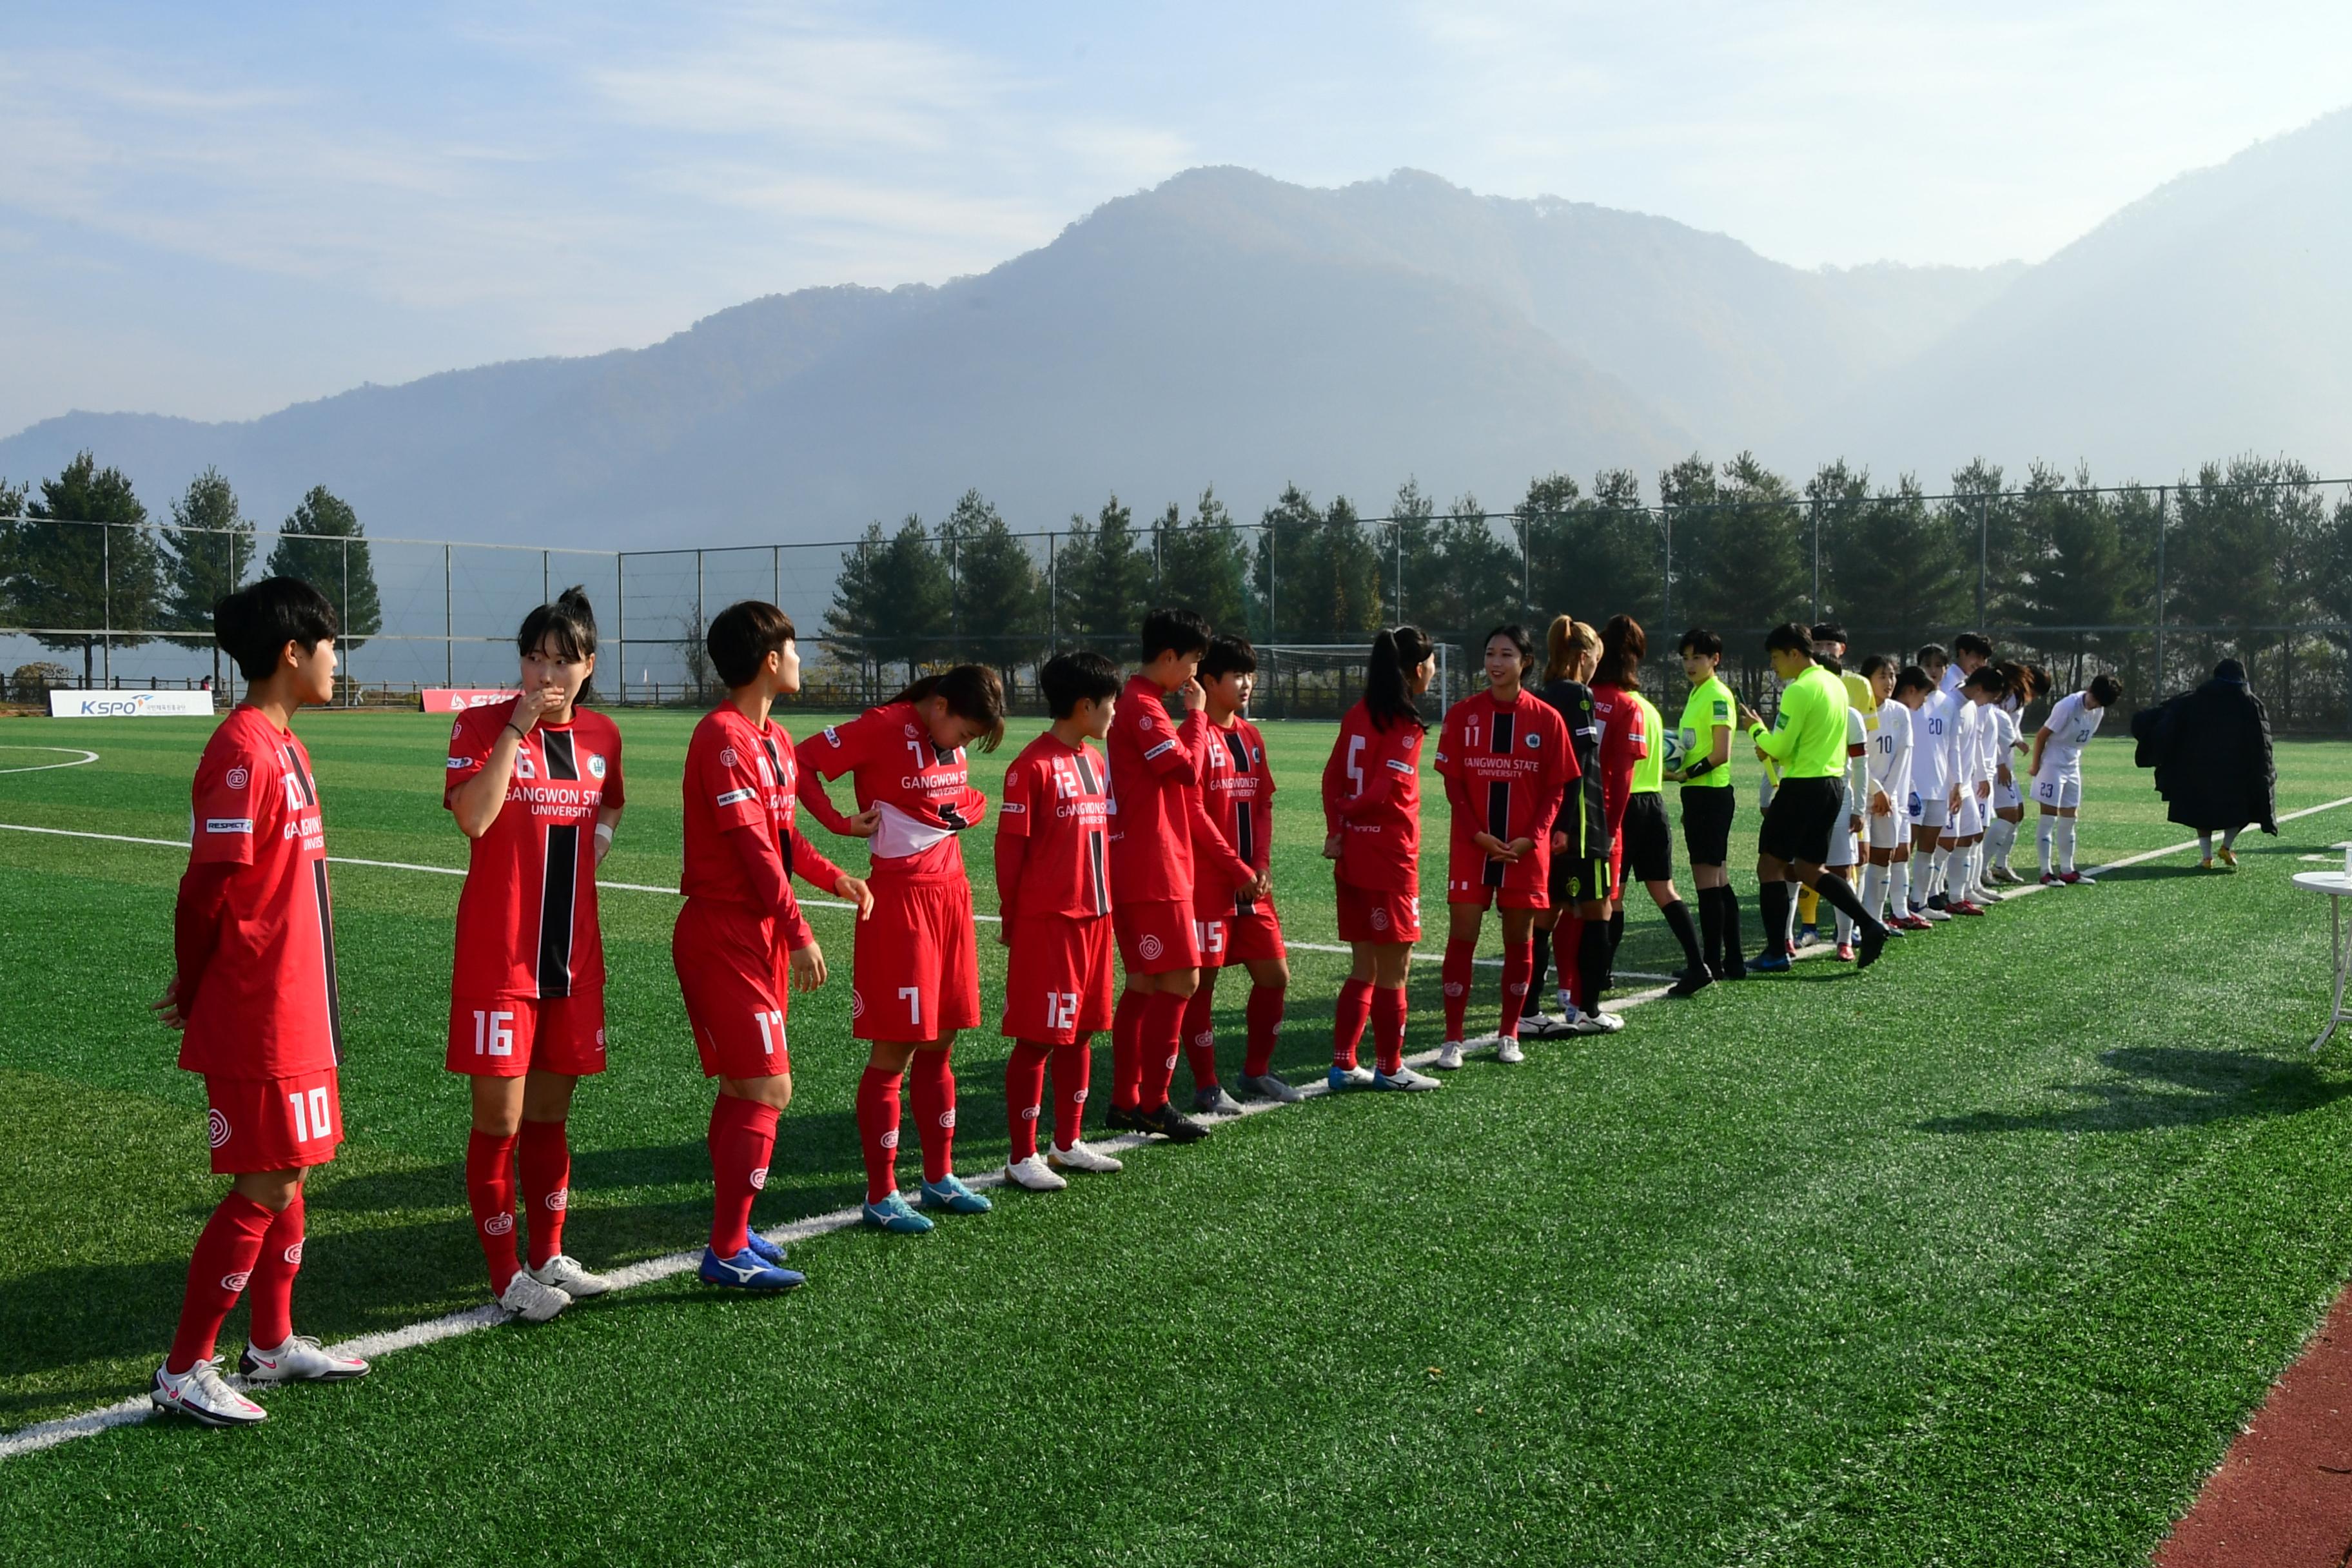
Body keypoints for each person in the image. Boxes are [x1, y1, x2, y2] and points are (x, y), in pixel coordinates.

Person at [149, 578, 368, 1426]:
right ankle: (183, 1366)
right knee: (265, 1181)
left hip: (300, 1001)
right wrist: (197, 982)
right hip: (257, 1007)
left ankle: (270, 1344)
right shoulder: (240, 749)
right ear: (291, 652)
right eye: (330, 646)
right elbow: (205, 889)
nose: (336, 662)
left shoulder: (288, 743)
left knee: (293, 1169)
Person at [675, 602, 872, 1283]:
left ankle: (733, 1231)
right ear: (768, 659)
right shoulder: (722, 738)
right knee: (769, 1086)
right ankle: (726, 1250)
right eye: (793, 648)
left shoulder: (776, 740)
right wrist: (801, 930)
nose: (800, 658)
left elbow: (785, 841)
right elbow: (756, 854)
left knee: (745, 1086)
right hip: (724, 930)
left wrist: (834, 874)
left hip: (755, 928)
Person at [443, 588, 624, 1322]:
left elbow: (611, 802)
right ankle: (504, 1273)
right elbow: (475, 818)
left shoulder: (604, 736)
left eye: (561, 658)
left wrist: (597, 848)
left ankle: (549, 1253)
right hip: (500, 959)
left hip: (573, 960)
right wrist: (517, 725)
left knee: (550, 1116)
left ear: (587, 665)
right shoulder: (479, 725)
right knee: (500, 1119)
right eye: (533, 656)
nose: (545, 671)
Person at [798, 665, 1004, 1230]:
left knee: (941, 1043)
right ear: (939, 706)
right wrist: (841, 824)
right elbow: (801, 762)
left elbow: (957, 800)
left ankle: (938, 1178)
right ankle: (882, 1192)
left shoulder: (944, 739)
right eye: (963, 733)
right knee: (896, 1050)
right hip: (901, 903)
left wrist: (968, 806)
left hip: (953, 897)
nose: (963, 745)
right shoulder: (882, 725)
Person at [1101, 609, 1262, 1142]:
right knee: (1184, 981)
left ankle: (1128, 1101)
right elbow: (1188, 770)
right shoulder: (1145, 707)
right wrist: (1196, 716)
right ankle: (1153, 1102)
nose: (1194, 673)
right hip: (1152, 866)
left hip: (1153, 861)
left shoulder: (1143, 703)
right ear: (1169, 658)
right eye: (1193, 661)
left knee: (1147, 984)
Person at [995, 651, 1127, 1191]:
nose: (1114, 715)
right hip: (1051, 924)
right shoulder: (1031, 766)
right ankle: (1021, 1155)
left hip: (1097, 918)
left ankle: (1067, 1143)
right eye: (1110, 705)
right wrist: (1013, 917)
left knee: (1084, 1033)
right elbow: (1010, 853)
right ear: (1085, 705)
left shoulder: (1095, 762)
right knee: (1038, 1039)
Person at [1435, 625, 1578, 1062]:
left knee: (1520, 940)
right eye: (1491, 654)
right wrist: (1478, 833)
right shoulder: (1463, 715)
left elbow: (1557, 789)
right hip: (1471, 846)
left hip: (1523, 850)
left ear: (1525, 662)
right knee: (1463, 938)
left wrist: (1531, 839)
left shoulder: (1546, 718)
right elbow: (1455, 784)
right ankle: (1453, 1038)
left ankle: (1509, 1033)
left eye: (1507, 655)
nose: (1496, 663)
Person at [1181, 636, 1295, 1110]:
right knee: (1200, 985)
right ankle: (1207, 1085)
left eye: (1251, 674)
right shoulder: (1197, 735)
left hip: (1252, 885)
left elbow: (1263, 804)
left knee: (1275, 977)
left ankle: (1256, 1072)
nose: (1247, 683)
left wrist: (1261, 865)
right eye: (1237, 675)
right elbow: (1193, 813)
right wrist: (1235, 868)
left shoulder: (1250, 735)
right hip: (1208, 886)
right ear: (1210, 682)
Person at [1737, 623, 1892, 968]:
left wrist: (1755, 728)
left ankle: (1777, 951)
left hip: (1802, 788)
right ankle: (1869, 923)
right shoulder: (1835, 686)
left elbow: (1779, 746)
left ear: (1795, 653)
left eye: (1776, 657)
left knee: (1770, 865)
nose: (1774, 665)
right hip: (1832, 787)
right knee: (1810, 868)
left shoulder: (1799, 690)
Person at [1324, 626, 1440, 1082]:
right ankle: (1390, 1067)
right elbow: (1382, 790)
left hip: (1353, 853)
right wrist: (1351, 813)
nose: (1434, 670)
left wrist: (1339, 828)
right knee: (1396, 967)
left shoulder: (1357, 713)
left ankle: (1343, 1063)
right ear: (1417, 670)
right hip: (1389, 856)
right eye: (1431, 663)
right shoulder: (1406, 723)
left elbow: (1332, 776)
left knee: (1364, 964)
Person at [1523, 616, 1609, 1038]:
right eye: (1595, 658)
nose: (1596, 667)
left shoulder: (1541, 696)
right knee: (1599, 911)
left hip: (1547, 825)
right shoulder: (1579, 696)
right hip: (1580, 824)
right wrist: (1572, 827)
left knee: (1545, 916)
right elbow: (1575, 766)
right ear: (1581, 656)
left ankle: (1528, 1008)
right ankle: (1590, 1007)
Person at [1619, 666, 1712, 996]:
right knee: (1665, 890)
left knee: (1612, 896)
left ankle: (1600, 974)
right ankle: (1698, 965)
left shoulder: (1615, 707)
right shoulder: (1650, 710)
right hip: (1653, 805)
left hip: (1623, 805)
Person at [2137, 659, 2277, 868]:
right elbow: (2261, 742)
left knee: (2202, 813)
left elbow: (2164, 723)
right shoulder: (2251, 703)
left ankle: (2206, 858)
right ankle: (2226, 847)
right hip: (2236, 771)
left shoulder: (2193, 700)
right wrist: (2265, 772)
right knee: (2248, 808)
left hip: (2198, 768)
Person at [1665, 628, 1743, 979]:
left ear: (1715, 659)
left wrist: (1687, 774)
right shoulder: (1698, 693)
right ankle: (1733, 960)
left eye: (1697, 657)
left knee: (1708, 881)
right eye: (1685, 657)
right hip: (1699, 795)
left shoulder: (1716, 695)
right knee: (1719, 880)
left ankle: (1712, 961)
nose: (1690, 664)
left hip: (1710, 795)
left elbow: (1721, 753)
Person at [2028, 674, 2123, 885]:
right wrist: (2036, 766)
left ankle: (2067, 869)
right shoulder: (2068, 706)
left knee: (2071, 817)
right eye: (2094, 698)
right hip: (2053, 764)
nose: (2094, 704)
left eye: (2100, 702)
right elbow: (2042, 735)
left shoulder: (2098, 711)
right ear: (2089, 688)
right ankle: (2045, 871)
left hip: (2073, 764)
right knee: (2048, 818)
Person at [1868, 662, 1928, 930]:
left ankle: (1875, 918)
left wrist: (1888, 793)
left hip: (1889, 802)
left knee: (1885, 857)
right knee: (1858, 861)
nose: (1889, 681)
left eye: (1892, 676)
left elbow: (1903, 755)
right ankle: (1851, 924)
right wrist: (1875, 790)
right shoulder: (1856, 713)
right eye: (1882, 676)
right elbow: (1853, 759)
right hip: (1862, 798)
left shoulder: (1900, 713)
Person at [1904, 643, 1961, 922]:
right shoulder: (1910, 701)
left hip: (1939, 787)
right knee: (1904, 850)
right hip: (1912, 787)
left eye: (1939, 666)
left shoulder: (1949, 704)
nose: (1934, 671)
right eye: (1928, 665)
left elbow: (1952, 748)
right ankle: (1897, 906)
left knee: (1928, 850)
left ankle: (1919, 901)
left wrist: (1956, 783)